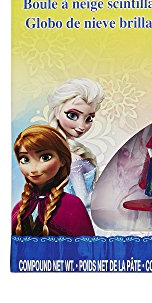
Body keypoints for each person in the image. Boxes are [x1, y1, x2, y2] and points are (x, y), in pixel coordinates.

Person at [12, 125, 95, 236]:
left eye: (45, 157)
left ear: (62, 160)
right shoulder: (19, 208)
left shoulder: (72, 205)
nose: (33, 169)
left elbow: (86, 245)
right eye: (25, 159)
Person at [48, 78, 105, 207]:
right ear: (56, 111)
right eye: (72, 115)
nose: (82, 126)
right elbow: (82, 201)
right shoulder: (73, 159)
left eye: (89, 118)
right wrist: (105, 189)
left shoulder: (64, 153)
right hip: (82, 216)